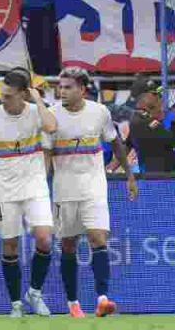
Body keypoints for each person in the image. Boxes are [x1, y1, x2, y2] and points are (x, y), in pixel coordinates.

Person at [49, 67, 138, 318]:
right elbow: (45, 154)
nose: (62, 91)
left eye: (68, 87)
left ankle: (102, 299)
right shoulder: (51, 116)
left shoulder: (99, 112)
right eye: (60, 87)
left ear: (82, 90)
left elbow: (115, 142)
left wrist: (129, 176)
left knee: (98, 239)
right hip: (64, 190)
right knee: (68, 245)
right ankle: (73, 303)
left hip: (94, 187)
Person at [0, 70, 57, 318]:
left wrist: (38, 99)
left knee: (44, 239)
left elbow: (52, 127)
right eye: (2, 94)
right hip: (4, 189)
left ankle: (34, 292)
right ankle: (15, 304)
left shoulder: (37, 113)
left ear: (24, 94)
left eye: (10, 96)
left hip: (34, 186)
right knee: (10, 245)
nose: (4, 99)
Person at [126, 76, 175, 172]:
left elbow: (128, 144)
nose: (159, 96)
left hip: (156, 177)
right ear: (143, 98)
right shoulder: (145, 121)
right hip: (158, 179)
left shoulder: (139, 118)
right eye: (154, 93)